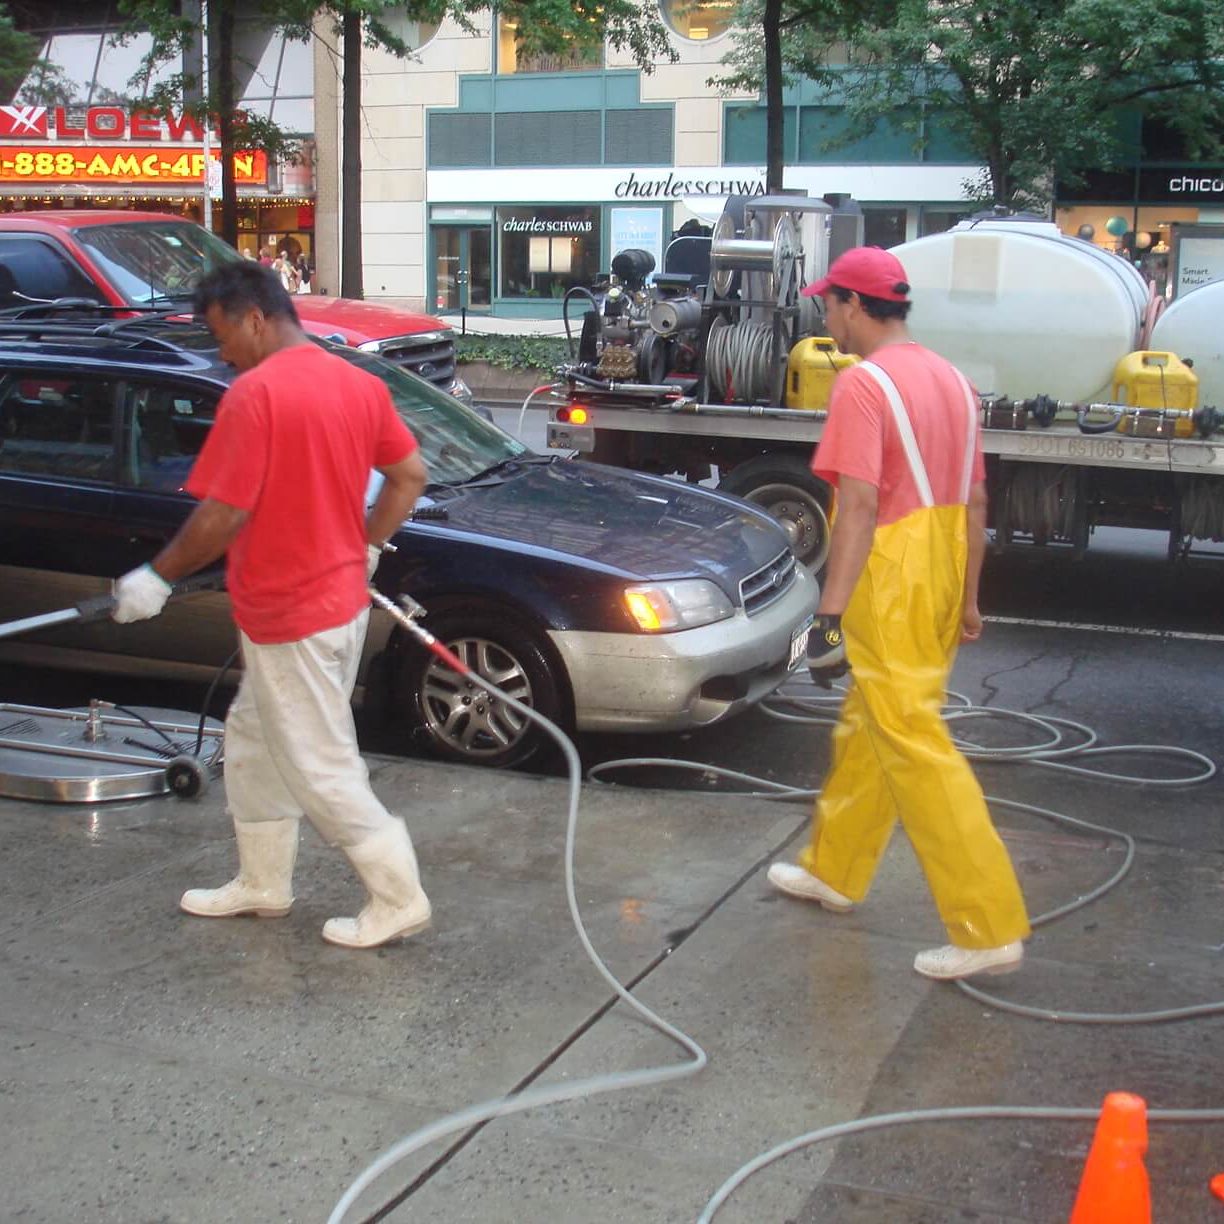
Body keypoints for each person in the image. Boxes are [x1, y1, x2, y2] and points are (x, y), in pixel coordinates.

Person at [110, 262, 431, 951]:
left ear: (255, 318)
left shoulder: (255, 395)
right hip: (334, 604)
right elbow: (409, 477)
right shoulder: (358, 383)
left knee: (319, 764)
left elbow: (225, 512)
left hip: (295, 614)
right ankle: (264, 882)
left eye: (221, 334)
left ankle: (397, 896)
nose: (220, 352)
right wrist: (367, 543)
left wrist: (156, 577)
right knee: (254, 742)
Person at [768, 246, 1031, 981]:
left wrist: (828, 614)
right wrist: (969, 595)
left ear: (855, 305)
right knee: (873, 723)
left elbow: (855, 511)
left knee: (911, 738)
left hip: (893, 570)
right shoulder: (953, 380)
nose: (826, 317)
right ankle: (835, 868)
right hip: (943, 562)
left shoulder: (863, 386)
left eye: (828, 304)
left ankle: (986, 924)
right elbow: (977, 501)